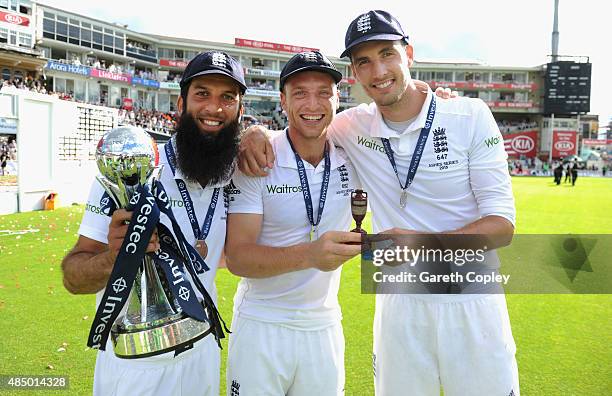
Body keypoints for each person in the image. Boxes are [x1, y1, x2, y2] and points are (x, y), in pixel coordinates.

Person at [239, 10, 518, 396]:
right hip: (399, 306)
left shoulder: (468, 116)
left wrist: (420, 244)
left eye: (387, 54)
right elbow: (301, 124)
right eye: (364, 61)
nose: (378, 71)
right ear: (354, 72)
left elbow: (501, 226)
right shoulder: (350, 125)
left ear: (409, 54)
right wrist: (251, 131)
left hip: (471, 302)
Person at [61, 50, 247, 396]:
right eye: (202, 94)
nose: (214, 108)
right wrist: (114, 257)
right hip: (137, 361)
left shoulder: (235, 172)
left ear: (240, 110)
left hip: (203, 353)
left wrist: (260, 137)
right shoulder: (136, 168)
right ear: (180, 104)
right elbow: (73, 277)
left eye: (227, 98)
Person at [224, 51, 361, 396]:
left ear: (337, 98)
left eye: (323, 92)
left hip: (323, 325)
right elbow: (238, 258)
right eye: (300, 92)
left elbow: (400, 114)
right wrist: (309, 256)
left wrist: (440, 104)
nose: (312, 103)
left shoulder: (356, 153)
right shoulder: (259, 157)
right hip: (263, 323)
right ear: (283, 101)